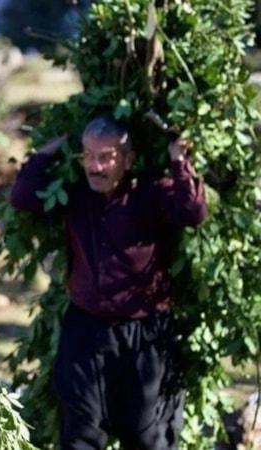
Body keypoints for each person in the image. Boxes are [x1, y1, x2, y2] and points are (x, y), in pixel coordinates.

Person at [10, 115, 207, 449]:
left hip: (144, 335)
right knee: (80, 434)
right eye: (88, 155)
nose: (95, 167)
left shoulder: (150, 192)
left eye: (106, 157)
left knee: (149, 436)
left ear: (128, 160)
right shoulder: (73, 193)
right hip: (86, 332)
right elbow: (23, 196)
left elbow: (193, 212)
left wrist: (178, 160)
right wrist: (48, 150)